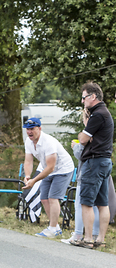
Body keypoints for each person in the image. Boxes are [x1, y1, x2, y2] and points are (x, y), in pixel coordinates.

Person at [75, 82, 113, 249]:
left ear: (92, 96)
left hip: (95, 162)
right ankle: (100, 240)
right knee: (102, 203)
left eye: (84, 98)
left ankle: (88, 239)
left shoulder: (98, 115)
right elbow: (89, 133)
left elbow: (83, 139)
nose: (83, 101)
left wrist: (83, 135)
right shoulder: (103, 113)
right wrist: (86, 126)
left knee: (86, 202)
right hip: (105, 161)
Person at [22, 117, 74, 238]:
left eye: (32, 129)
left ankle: (52, 228)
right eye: (27, 129)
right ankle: (55, 227)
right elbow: (28, 161)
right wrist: (28, 176)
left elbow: (51, 167)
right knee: (44, 198)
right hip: (47, 170)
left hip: (62, 169)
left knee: (53, 198)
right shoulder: (28, 141)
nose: (29, 132)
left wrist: (34, 181)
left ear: (39, 129)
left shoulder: (48, 142)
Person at [61, 136, 100, 245]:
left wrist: (76, 147)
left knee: (80, 205)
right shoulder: (103, 133)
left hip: (86, 174)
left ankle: (78, 235)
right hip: (100, 172)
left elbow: (82, 155)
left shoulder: (89, 133)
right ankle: (95, 235)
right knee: (96, 205)